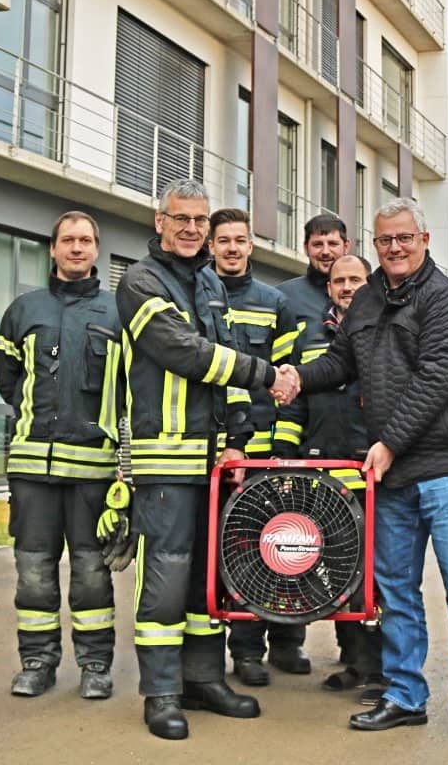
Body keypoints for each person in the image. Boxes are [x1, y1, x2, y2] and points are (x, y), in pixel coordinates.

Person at [276, 198, 448, 750]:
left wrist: (390, 443)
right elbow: (342, 362)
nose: (394, 248)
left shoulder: (446, 299)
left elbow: (439, 377)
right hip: (395, 475)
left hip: (447, 465)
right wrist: (299, 378)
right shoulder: (369, 297)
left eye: (404, 238)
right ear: (372, 245)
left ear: (424, 238)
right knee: (396, 591)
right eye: (384, 240)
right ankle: (404, 696)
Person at [115, 179, 298, 741]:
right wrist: (267, 374)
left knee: (206, 581)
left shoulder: (211, 282)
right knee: (166, 578)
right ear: (159, 220)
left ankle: (203, 679)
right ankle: (162, 693)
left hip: (214, 462)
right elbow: (186, 353)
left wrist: (240, 436)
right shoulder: (139, 281)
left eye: (199, 219)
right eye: (182, 218)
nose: (193, 228)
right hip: (165, 460)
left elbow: (228, 365)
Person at [0, 210, 125, 700]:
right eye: (67, 239)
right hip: (31, 471)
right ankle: (37, 661)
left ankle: (95, 665)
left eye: (85, 240)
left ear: (96, 250)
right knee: (33, 572)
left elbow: (130, 392)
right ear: (52, 248)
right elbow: (9, 379)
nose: (76, 248)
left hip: (93, 471)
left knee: (92, 573)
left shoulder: (117, 314)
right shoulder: (24, 310)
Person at [272, 254, 385, 706]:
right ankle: (354, 663)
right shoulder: (309, 337)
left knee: (377, 580)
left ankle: (380, 672)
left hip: (370, 475)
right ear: (329, 288)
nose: (347, 286)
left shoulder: (382, 332)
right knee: (337, 572)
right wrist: (284, 459)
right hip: (319, 475)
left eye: (356, 279)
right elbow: (294, 405)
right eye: (339, 280)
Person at [207, 207, 307, 686]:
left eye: (239, 239)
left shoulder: (274, 302)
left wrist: (282, 451)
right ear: (211, 246)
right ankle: (245, 652)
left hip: (268, 454)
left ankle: (287, 640)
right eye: (222, 239)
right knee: (239, 551)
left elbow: (289, 383)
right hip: (217, 453)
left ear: (251, 245)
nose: (231, 247)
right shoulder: (196, 296)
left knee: (280, 547)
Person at [279, 213, 352, 333]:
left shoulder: (366, 296)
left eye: (332, 244)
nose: (325, 251)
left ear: (346, 246)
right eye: (317, 244)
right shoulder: (284, 298)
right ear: (306, 248)